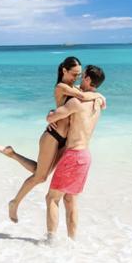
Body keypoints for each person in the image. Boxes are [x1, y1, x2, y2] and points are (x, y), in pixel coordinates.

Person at [0, 57, 106, 223]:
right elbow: (82, 96)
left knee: (41, 173)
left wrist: (96, 96)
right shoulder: (61, 87)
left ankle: (12, 153)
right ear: (64, 71)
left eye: (79, 74)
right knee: (40, 177)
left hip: (65, 142)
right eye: (74, 73)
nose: (76, 77)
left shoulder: (73, 88)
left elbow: (78, 100)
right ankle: (14, 203)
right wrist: (100, 95)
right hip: (52, 137)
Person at [44, 65, 105, 241]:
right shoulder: (98, 102)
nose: (78, 79)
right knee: (70, 200)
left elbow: (51, 119)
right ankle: (72, 241)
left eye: (82, 76)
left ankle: (51, 241)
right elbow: (88, 94)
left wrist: (50, 113)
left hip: (73, 155)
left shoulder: (76, 102)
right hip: (85, 156)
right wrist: (98, 94)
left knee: (52, 198)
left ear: (87, 80)